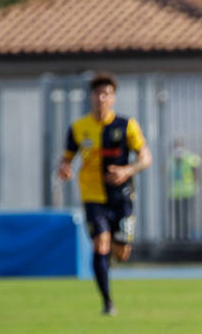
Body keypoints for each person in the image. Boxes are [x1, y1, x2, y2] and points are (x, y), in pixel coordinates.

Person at [57, 73, 152, 315]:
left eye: (107, 94)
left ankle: (110, 257)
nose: (102, 98)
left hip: (122, 196)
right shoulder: (79, 128)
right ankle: (108, 303)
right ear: (91, 97)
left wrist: (128, 169)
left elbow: (145, 158)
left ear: (113, 98)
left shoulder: (126, 125)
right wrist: (64, 168)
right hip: (92, 196)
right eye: (98, 93)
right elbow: (66, 159)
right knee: (100, 243)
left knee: (121, 252)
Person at [169, 138, 201, 240]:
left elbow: (196, 171)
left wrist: (195, 184)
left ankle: (186, 236)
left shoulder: (190, 157)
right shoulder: (170, 159)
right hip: (174, 193)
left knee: (187, 216)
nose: (178, 149)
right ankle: (178, 236)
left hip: (188, 192)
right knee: (177, 217)